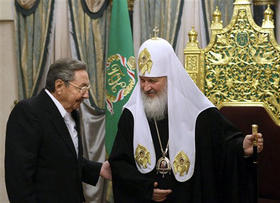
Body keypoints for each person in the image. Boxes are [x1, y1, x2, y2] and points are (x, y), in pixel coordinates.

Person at [109, 38, 264, 203]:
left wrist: (241, 147)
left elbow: (221, 144)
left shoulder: (197, 112)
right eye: (142, 80)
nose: (146, 88)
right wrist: (145, 188)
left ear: (170, 77)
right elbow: (119, 163)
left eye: (153, 81)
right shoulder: (131, 115)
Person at [5, 58, 111, 203]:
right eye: (82, 88)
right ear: (59, 86)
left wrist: (99, 169)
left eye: (88, 89)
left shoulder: (73, 113)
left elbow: (62, 161)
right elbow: (18, 179)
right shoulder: (28, 113)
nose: (86, 95)